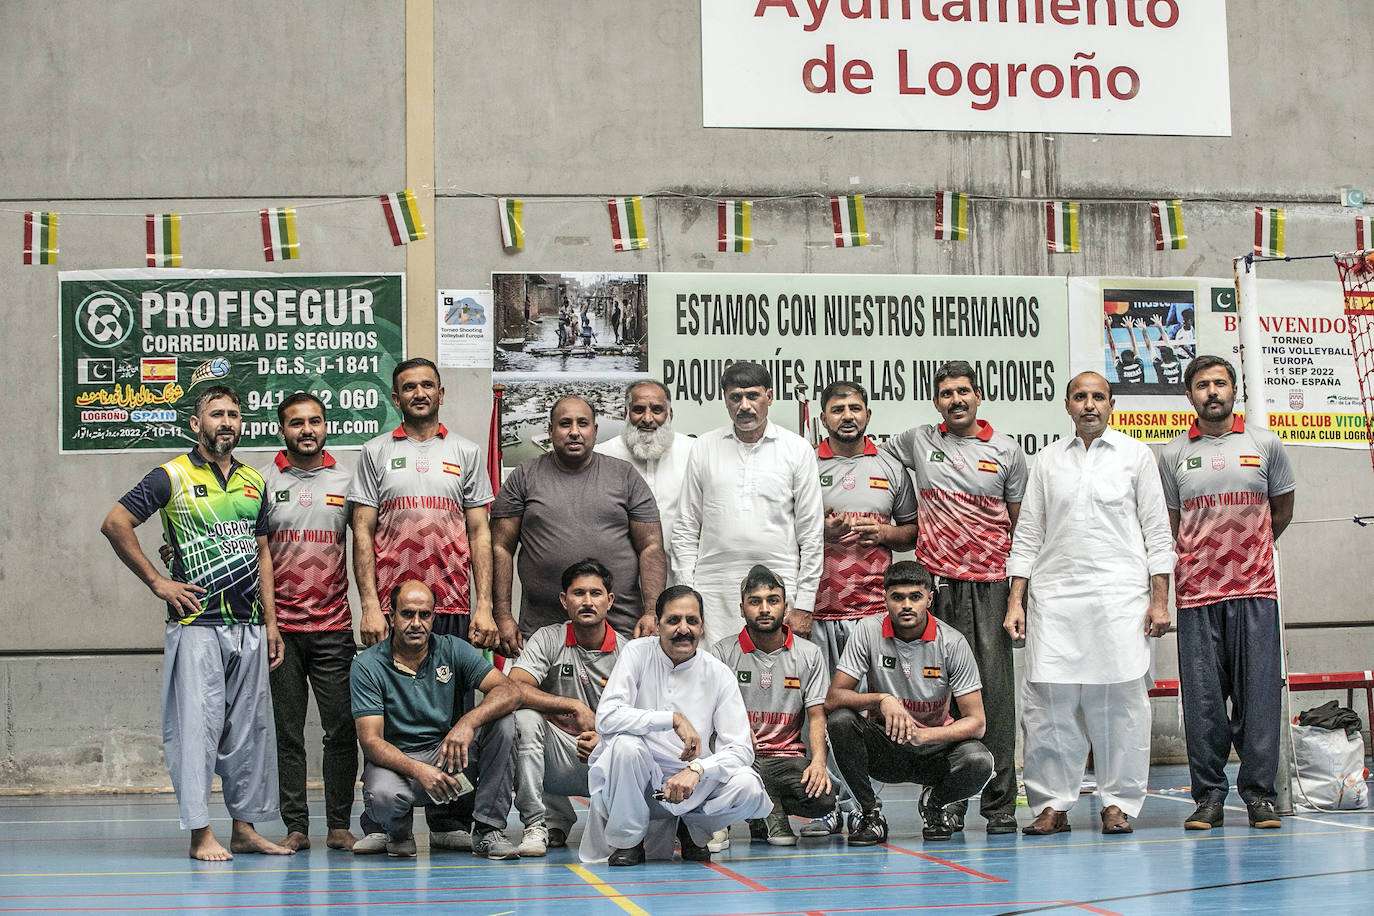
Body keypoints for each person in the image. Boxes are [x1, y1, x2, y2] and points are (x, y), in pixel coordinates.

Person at [100, 384, 290, 861]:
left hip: (248, 624)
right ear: (196, 424)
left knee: (249, 733)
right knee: (197, 733)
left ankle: (244, 829)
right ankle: (200, 834)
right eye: (216, 414)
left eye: (233, 413)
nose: (226, 421)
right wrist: (157, 582)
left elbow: (263, 551)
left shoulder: (253, 480)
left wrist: (272, 622)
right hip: (196, 624)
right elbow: (115, 523)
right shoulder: (171, 475)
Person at [1004, 371, 1176, 836]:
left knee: (1120, 704)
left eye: (1098, 397)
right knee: (1048, 706)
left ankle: (1117, 803)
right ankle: (1052, 805)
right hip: (1055, 599)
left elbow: (1158, 534)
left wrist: (1160, 601)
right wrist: (1015, 600)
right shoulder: (1046, 461)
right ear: (1066, 405)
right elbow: (1028, 535)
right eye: (1080, 397)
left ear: (1111, 403)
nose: (1089, 405)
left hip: (1120, 598)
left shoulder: (1136, 456)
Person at [349, 357, 495, 850]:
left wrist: (485, 606)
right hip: (396, 607)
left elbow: (479, 531)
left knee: (456, 715)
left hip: (451, 602)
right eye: (408, 387)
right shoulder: (373, 452)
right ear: (396, 398)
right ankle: (382, 823)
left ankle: (450, 821)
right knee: (389, 711)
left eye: (426, 385)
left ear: (441, 393)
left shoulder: (466, 452)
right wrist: (370, 603)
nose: (418, 393)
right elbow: (362, 530)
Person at [882, 360, 1027, 835]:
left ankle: (1000, 805)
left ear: (978, 395)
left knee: (994, 700)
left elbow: (1023, 531)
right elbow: (872, 458)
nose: (956, 399)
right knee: (944, 699)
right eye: (946, 393)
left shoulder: (1007, 450)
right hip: (936, 588)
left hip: (990, 587)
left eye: (963, 391)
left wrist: (1016, 600)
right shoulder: (918, 440)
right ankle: (951, 801)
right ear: (936, 401)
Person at [1157, 355, 1296, 830]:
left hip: (1256, 592)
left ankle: (1259, 796)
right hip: (1196, 596)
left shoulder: (1266, 443)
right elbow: (1170, 527)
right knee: (1204, 703)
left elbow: (1281, 512)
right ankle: (1210, 798)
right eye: (1202, 385)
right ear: (1189, 395)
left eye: (1220, 383)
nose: (1212, 392)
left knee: (1258, 698)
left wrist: (1247, 553)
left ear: (1234, 391)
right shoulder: (1173, 454)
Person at [579, 585, 773, 866]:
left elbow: (741, 749)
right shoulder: (637, 653)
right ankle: (628, 842)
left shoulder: (718, 673)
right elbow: (606, 717)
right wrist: (670, 719)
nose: (684, 629)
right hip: (638, 781)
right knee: (625, 745)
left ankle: (694, 828)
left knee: (749, 787)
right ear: (657, 625)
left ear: (702, 626)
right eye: (673, 621)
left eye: (692, 621)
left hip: (693, 784)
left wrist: (697, 769)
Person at [350, 580, 522, 859]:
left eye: (425, 615)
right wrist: (420, 770)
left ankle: (488, 830)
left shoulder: (453, 649)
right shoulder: (367, 665)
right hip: (399, 763)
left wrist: (467, 722)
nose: (416, 623)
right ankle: (397, 833)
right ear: (391, 617)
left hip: (447, 757)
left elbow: (510, 691)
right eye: (407, 614)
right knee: (383, 797)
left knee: (504, 723)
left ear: (434, 617)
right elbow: (370, 742)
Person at [825, 562, 994, 845]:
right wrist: (882, 699)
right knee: (840, 721)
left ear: (929, 598)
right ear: (885, 598)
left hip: (936, 751)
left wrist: (925, 735)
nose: (906, 605)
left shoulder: (952, 642)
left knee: (980, 762)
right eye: (898, 597)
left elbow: (977, 722)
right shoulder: (868, 631)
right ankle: (870, 815)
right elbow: (833, 698)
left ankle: (934, 803)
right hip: (886, 750)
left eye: (915, 597)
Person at [258, 392, 361, 852]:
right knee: (288, 732)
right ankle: (296, 826)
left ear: (326, 426)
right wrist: (269, 623)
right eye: (296, 423)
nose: (306, 430)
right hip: (282, 634)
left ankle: (339, 823)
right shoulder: (260, 482)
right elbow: (250, 553)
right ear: (282, 430)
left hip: (334, 628)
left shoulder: (349, 479)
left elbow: (368, 550)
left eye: (314, 421)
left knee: (342, 728)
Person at [491, 396, 666, 652]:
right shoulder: (524, 476)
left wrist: (651, 612)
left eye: (582, 423)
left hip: (620, 629)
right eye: (565, 424)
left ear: (594, 431)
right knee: (537, 693)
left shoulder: (624, 476)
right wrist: (503, 616)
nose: (574, 432)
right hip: (542, 631)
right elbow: (500, 547)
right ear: (550, 431)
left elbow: (651, 546)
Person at [672, 361, 824, 643]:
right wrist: (685, 593)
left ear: (770, 396)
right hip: (713, 586)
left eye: (752, 395)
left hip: (779, 585)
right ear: (725, 401)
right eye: (735, 397)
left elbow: (812, 535)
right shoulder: (704, 446)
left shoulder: (797, 450)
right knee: (713, 675)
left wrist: (804, 603)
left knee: (776, 676)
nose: (744, 405)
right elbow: (686, 526)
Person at [507, 559, 626, 856]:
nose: (587, 602)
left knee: (637, 741)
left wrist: (606, 738)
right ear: (564, 600)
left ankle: (630, 823)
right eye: (578, 593)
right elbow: (514, 687)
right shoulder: (548, 638)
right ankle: (540, 823)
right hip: (561, 752)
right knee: (524, 719)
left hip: (607, 755)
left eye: (596, 594)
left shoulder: (629, 652)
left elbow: (643, 718)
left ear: (609, 601)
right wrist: (572, 706)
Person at [710, 565, 834, 848]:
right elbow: (709, 715)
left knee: (823, 799)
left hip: (785, 759)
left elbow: (817, 716)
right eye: (755, 602)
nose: (764, 609)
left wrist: (818, 763)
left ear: (785, 606)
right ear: (742, 609)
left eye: (772, 601)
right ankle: (721, 818)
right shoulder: (721, 653)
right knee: (720, 762)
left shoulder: (809, 654)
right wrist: (736, 733)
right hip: (739, 755)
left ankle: (768, 807)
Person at [594, 380, 696, 584]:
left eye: (657, 410)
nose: (647, 419)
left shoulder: (694, 452)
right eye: (638, 410)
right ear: (625, 414)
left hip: (682, 579)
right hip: (618, 581)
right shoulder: (601, 456)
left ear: (670, 415)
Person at [1106, 316, 1145, 385]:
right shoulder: (1139, 365)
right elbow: (1135, 347)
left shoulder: (1121, 369)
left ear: (1122, 361)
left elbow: (1112, 348)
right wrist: (1130, 329)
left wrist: (1108, 327)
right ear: (1133, 358)